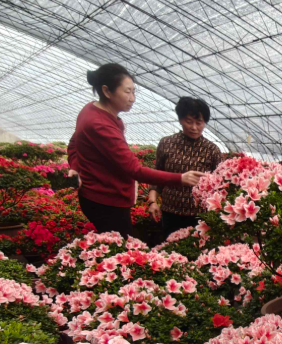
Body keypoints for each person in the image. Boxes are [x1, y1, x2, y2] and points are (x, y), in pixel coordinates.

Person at [67, 63, 205, 238]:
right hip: (106, 201)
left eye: (134, 91)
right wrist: (181, 178)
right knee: (120, 253)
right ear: (107, 91)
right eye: (127, 92)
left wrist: (74, 166)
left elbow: (74, 143)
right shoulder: (100, 124)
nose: (132, 98)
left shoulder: (91, 110)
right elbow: (135, 170)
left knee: (117, 249)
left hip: (101, 196)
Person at [148, 97, 221, 237]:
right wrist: (152, 202)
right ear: (180, 120)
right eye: (189, 122)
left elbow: (219, 185)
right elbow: (157, 176)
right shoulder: (167, 143)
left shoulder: (212, 150)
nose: (194, 127)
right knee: (170, 251)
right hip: (170, 212)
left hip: (199, 215)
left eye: (199, 123)